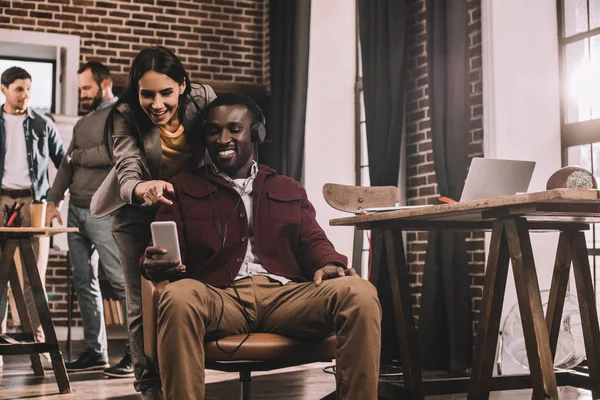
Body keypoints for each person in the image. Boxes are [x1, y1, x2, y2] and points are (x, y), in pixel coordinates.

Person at [143, 93, 382, 400]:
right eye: (214, 131)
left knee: (359, 292)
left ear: (256, 133)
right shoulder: (182, 187)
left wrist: (328, 261)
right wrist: (153, 263)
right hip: (218, 297)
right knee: (177, 296)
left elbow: (312, 239)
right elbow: (163, 249)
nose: (222, 138)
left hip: (286, 297)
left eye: (234, 129)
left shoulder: (286, 187)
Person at [90, 46, 216, 397]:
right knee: (142, 302)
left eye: (166, 92)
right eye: (147, 93)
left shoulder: (203, 99)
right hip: (136, 213)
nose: (156, 103)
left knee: (188, 291)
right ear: (136, 90)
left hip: (186, 210)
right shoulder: (126, 114)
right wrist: (143, 186)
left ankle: (187, 377)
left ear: (182, 86)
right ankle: (149, 386)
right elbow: (127, 168)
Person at [46, 61, 132, 377]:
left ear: (105, 84)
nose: (82, 94)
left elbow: (114, 155)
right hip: (75, 212)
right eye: (81, 89)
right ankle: (97, 352)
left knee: (121, 282)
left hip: (105, 211)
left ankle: (137, 355)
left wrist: (79, 156)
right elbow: (65, 166)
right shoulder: (83, 123)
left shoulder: (122, 115)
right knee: (85, 282)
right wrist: (53, 201)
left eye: (87, 88)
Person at [0, 66, 65, 370]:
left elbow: (65, 165)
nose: (25, 95)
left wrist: (55, 201)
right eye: (18, 88)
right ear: (3, 89)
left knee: (33, 277)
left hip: (32, 202)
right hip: (1, 199)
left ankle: (38, 346)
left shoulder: (42, 124)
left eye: (28, 88)